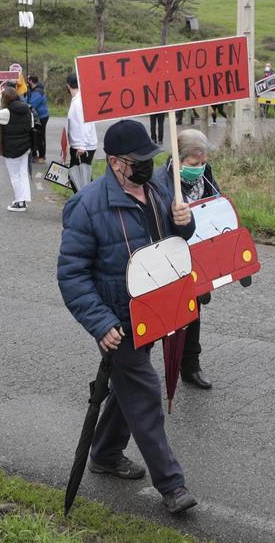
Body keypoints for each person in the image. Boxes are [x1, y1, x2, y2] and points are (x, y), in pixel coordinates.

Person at [56, 119, 198, 515]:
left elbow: (173, 241)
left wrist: (186, 224)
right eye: (140, 160)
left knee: (126, 390)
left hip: (157, 312)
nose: (149, 165)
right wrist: (101, 325)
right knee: (145, 393)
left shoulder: (158, 189)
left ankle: (103, 453)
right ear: (117, 163)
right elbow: (71, 276)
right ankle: (172, 485)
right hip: (119, 320)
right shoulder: (86, 207)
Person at [154, 129, 221, 390]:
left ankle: (190, 366)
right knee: (169, 318)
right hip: (171, 256)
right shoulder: (161, 181)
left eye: (203, 163)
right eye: (194, 165)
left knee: (193, 313)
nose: (200, 169)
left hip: (199, 256)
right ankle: (144, 371)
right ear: (178, 160)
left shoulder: (206, 175)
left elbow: (214, 202)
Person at [0, 81, 33, 212]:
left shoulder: (7, 113)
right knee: (23, 173)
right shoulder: (27, 108)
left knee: (14, 175)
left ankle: (19, 202)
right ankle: (23, 200)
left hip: (12, 149)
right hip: (25, 147)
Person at [65, 73, 97, 190]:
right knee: (79, 178)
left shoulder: (79, 102)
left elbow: (86, 123)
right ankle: (85, 203)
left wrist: (82, 146)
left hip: (83, 147)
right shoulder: (77, 99)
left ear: (68, 86)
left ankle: (88, 203)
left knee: (80, 179)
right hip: (79, 145)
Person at [25, 74, 50, 163]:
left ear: (31, 81)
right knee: (33, 135)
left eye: (28, 80)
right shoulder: (33, 90)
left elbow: (31, 104)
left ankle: (42, 157)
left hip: (41, 117)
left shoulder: (38, 91)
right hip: (35, 117)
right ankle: (34, 155)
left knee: (40, 137)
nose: (27, 82)